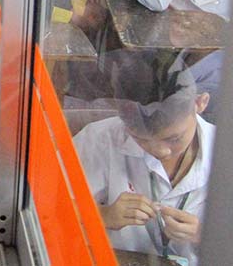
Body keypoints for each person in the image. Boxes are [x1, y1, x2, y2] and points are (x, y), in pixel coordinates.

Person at [73, 55, 213, 265]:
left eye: (174, 139)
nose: (161, 151)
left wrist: (204, 235)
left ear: (200, 103)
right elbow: (44, 210)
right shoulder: (99, 139)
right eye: (141, 139)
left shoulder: (231, 153)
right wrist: (101, 215)